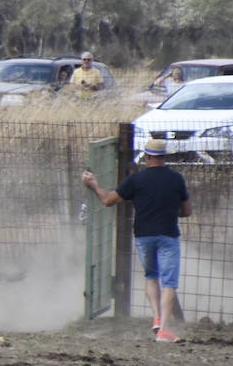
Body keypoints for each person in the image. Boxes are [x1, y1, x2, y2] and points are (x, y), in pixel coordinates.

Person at [82, 137, 192, 342]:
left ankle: (156, 318)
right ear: (165, 158)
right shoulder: (176, 179)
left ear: (147, 157)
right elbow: (187, 211)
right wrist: (167, 210)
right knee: (169, 284)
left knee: (151, 277)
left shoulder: (136, 180)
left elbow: (107, 200)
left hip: (143, 236)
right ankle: (164, 330)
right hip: (168, 235)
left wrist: (94, 185)